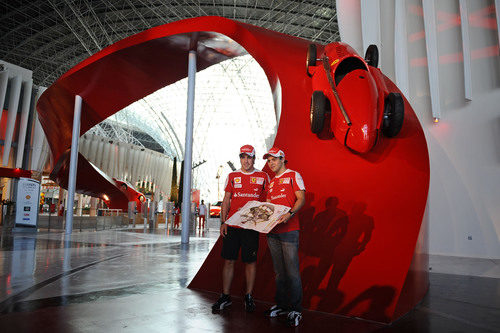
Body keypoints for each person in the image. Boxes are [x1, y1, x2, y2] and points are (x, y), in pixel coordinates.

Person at [212, 145, 269, 312]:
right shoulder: (232, 176)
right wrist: (223, 222)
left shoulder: (263, 176)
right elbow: (226, 200)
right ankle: (225, 296)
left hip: (251, 226)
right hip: (233, 225)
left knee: (250, 262)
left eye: (249, 157)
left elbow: (269, 199)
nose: (246, 160)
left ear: (254, 158)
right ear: (240, 158)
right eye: (243, 157)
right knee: (229, 260)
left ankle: (248, 296)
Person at [263, 147, 306, 327]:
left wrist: (289, 214)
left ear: (282, 159)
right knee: (279, 272)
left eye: (274, 159)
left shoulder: (293, 175)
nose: (271, 163)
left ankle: (296, 309)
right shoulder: (272, 182)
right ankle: (281, 305)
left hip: (289, 231)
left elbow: (301, 198)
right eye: (269, 160)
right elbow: (268, 205)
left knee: (292, 272)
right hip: (272, 232)